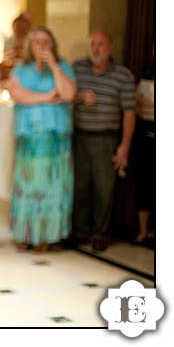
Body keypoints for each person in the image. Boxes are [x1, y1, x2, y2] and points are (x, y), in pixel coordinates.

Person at [6, 27, 77, 252]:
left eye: (46, 41)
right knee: (27, 186)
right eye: (37, 42)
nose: (42, 46)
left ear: (53, 45)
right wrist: (47, 97)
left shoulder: (64, 67)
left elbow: (68, 94)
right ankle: (25, 234)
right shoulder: (21, 69)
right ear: (30, 45)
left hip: (55, 140)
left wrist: (54, 65)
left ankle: (46, 235)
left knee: (52, 187)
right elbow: (18, 95)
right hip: (30, 140)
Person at [71, 30, 136, 252]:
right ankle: (79, 231)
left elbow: (129, 112)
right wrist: (79, 97)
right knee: (80, 186)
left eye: (100, 44)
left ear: (111, 47)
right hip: (80, 135)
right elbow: (65, 95)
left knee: (103, 189)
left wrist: (124, 146)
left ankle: (100, 233)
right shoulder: (77, 69)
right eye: (92, 43)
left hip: (106, 138)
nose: (95, 48)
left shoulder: (123, 75)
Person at [132, 67, 154, 246]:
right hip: (145, 134)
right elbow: (136, 104)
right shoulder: (146, 75)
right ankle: (143, 232)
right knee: (145, 184)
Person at [0, 12, 33, 82]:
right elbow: (6, 59)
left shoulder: (32, 41)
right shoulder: (9, 41)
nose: (19, 29)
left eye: (22, 27)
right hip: (10, 76)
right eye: (17, 27)